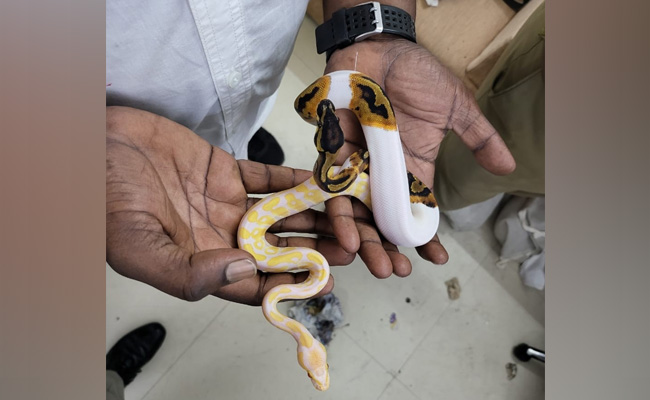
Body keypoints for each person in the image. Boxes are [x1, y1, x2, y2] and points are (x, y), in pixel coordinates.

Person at [106, 0, 515, 305]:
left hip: (247, 98)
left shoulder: (325, 117)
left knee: (250, 147)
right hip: (121, 124)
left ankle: (244, 140)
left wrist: (373, 34)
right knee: (281, 164)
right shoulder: (326, 136)